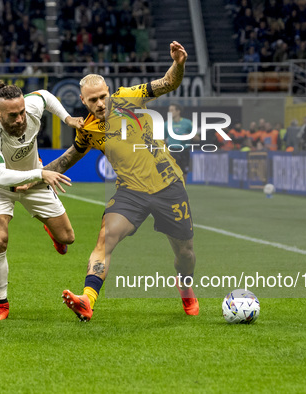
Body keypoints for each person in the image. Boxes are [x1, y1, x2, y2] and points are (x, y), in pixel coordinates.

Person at [38, 41, 198, 321]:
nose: (99, 103)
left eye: (102, 96)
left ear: (109, 92)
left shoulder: (129, 97)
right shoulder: (87, 128)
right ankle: (87, 299)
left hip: (168, 185)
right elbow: (69, 158)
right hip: (130, 193)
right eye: (92, 100)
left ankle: (185, 287)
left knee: (185, 253)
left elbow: (167, 83)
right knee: (105, 238)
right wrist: (36, 175)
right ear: (83, 100)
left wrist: (179, 63)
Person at [0, 80, 84, 321]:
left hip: (34, 181)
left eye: (22, 112)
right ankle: (1, 304)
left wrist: (68, 119)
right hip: (0, 186)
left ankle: (49, 226)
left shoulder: (32, 107)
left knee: (67, 238)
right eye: (13, 115)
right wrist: (39, 173)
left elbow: (46, 95)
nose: (19, 119)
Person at [164, 103, 195, 179]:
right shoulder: (166, 124)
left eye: (172, 110)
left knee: (184, 173)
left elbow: (198, 138)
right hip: (172, 152)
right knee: (172, 174)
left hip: (184, 151)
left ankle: (183, 190)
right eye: (169, 110)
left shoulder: (188, 123)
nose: (170, 112)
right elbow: (163, 139)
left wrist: (189, 136)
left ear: (178, 111)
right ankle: (173, 191)